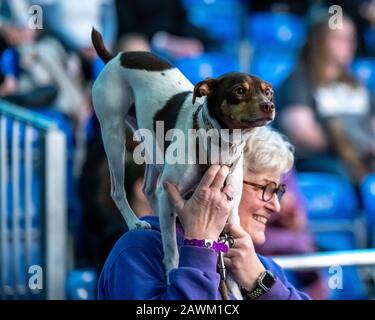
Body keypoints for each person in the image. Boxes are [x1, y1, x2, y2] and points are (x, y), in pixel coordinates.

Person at [97, 126, 310, 300]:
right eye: (265, 188)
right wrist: (200, 246)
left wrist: (260, 284)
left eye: (278, 191)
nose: (276, 206)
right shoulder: (139, 250)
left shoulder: (258, 266)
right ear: (217, 181)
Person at [277, 14, 375, 183]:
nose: (348, 45)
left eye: (351, 38)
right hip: (323, 159)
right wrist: (348, 141)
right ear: (318, 40)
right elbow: (301, 134)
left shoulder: (357, 84)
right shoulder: (298, 81)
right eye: (339, 39)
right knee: (346, 173)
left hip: (362, 155)